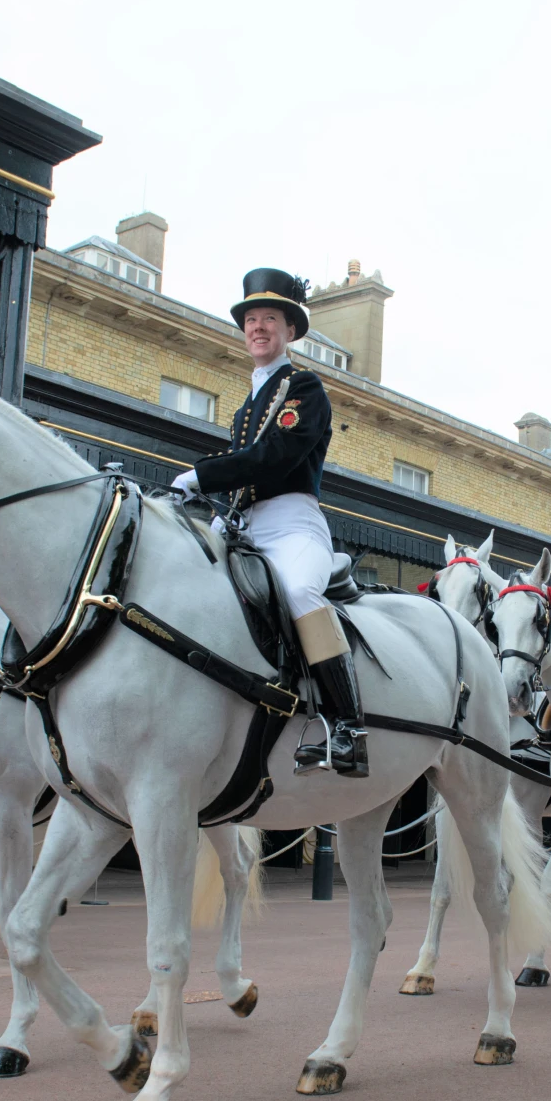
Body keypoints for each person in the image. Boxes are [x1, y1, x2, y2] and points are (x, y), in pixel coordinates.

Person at [170, 268, 367, 777]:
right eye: (251, 319)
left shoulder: (304, 388)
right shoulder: (244, 409)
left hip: (291, 524)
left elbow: (277, 456)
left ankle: (347, 726)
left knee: (301, 594)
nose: (258, 327)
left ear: (290, 331)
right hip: (242, 526)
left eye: (270, 320)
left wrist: (200, 474)